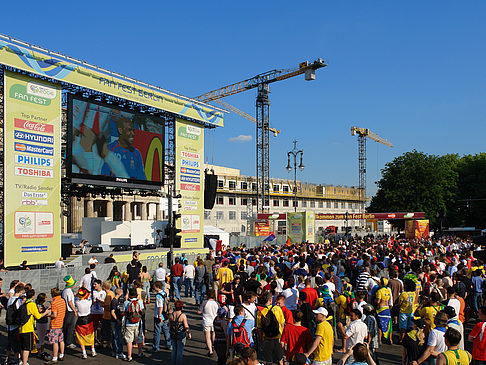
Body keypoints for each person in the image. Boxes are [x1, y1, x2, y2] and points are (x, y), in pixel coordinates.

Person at [18, 288, 50, 365]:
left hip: (21, 328)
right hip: (28, 328)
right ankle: (25, 363)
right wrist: (46, 312)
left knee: (22, 347)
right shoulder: (31, 304)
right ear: (33, 296)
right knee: (27, 348)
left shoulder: (24, 303)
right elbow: (38, 316)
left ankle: (22, 361)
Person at [256, 291, 286, 365]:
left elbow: (259, 329)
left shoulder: (260, 311)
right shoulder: (277, 309)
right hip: (277, 338)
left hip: (266, 338)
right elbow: (282, 324)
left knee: (268, 360)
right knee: (280, 359)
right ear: (270, 300)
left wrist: (261, 340)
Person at [45, 288, 66, 364]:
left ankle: (54, 357)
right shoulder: (62, 301)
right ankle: (62, 354)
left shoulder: (54, 303)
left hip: (55, 324)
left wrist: (47, 315)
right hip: (61, 322)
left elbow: (54, 315)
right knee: (61, 340)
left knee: (55, 341)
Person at [74, 287, 96, 359]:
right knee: (90, 334)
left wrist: (78, 294)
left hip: (80, 319)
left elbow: (76, 297)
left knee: (80, 336)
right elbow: (89, 295)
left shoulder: (77, 301)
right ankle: (93, 350)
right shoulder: (89, 302)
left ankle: (84, 353)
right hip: (88, 319)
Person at [6, 282, 25, 365]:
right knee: (16, 344)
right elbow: (19, 312)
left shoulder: (10, 299)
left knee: (10, 343)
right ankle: (17, 361)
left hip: (9, 324)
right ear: (20, 291)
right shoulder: (18, 301)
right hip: (15, 325)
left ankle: (7, 359)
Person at [123, 288, 144, 361]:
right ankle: (140, 352)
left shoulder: (126, 302)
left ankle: (129, 356)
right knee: (139, 338)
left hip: (129, 323)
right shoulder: (140, 302)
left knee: (129, 340)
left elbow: (124, 313)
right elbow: (142, 311)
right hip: (138, 323)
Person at [169, 300, 191, 365]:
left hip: (173, 334)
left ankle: (173, 362)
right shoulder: (182, 315)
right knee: (179, 351)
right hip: (181, 334)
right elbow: (186, 326)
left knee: (174, 350)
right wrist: (188, 333)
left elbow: (169, 325)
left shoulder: (171, 315)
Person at [198, 289, 219, 356]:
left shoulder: (204, 303)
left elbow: (199, 311)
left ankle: (210, 351)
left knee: (207, 337)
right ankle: (213, 345)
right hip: (214, 321)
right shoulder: (216, 303)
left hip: (206, 321)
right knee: (213, 334)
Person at [153, 281, 172, 352]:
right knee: (166, 330)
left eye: (154, 286)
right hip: (165, 314)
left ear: (157, 287)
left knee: (157, 331)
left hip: (159, 315)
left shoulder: (158, 296)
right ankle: (169, 344)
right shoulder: (164, 293)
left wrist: (159, 315)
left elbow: (160, 306)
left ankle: (156, 346)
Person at [62, 275, 78, 349]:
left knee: (66, 327)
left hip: (66, 310)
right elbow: (70, 302)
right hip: (70, 310)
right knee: (71, 327)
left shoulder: (64, 290)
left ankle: (65, 341)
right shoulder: (69, 291)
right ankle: (69, 342)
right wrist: (74, 310)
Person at [375, 278, 393, 343]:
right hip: (387, 308)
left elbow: (378, 301)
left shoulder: (380, 291)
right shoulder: (388, 290)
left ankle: (380, 340)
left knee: (380, 325)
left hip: (381, 309)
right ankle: (390, 338)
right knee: (388, 324)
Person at [109, 288, 125, 359]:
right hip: (115, 321)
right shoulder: (114, 301)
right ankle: (119, 352)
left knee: (115, 336)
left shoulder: (116, 301)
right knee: (117, 337)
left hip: (115, 321)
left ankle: (114, 351)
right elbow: (112, 312)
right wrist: (117, 319)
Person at [35, 293, 50, 360]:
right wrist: (46, 312)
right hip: (42, 323)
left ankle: (40, 351)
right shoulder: (40, 306)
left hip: (40, 323)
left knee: (41, 337)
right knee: (41, 338)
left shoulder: (38, 305)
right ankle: (40, 351)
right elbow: (41, 313)